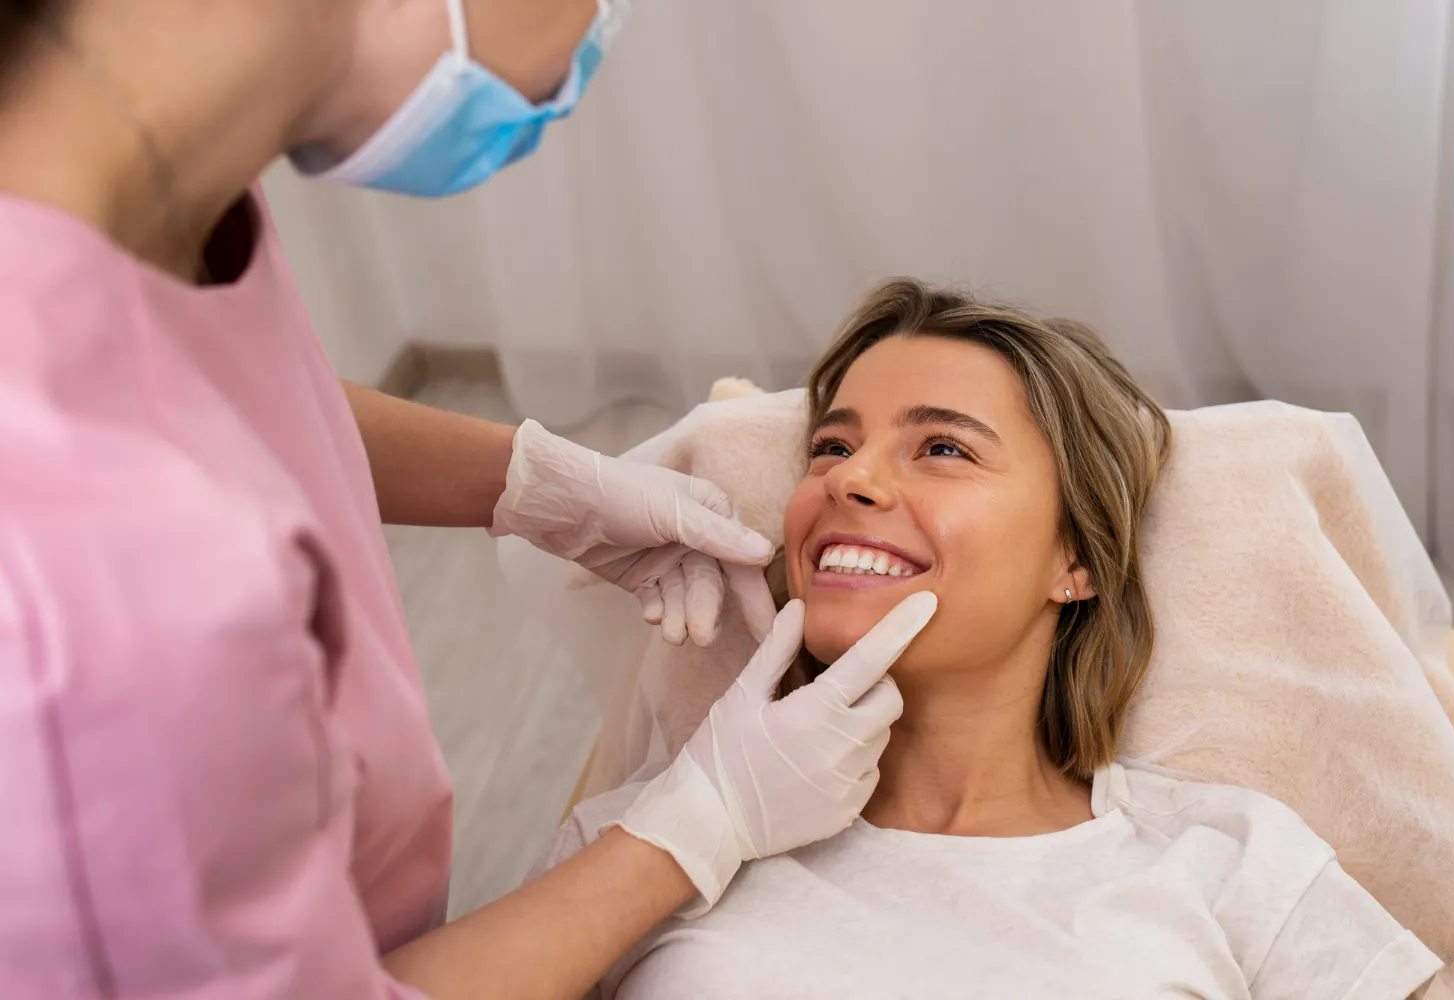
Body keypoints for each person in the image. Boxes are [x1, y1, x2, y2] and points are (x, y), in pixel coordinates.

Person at [0, 3, 938, 997]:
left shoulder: (139, 204)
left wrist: (532, 483)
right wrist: (696, 825)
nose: (596, 30)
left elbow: (211, 391)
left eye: (946, 447)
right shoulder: (81, 580)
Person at [536, 279, 1445, 999]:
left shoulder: (1233, 864)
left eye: (942, 449)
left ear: (1076, 558)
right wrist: (694, 826)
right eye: (829, 447)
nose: (850, 479)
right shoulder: (644, 844)